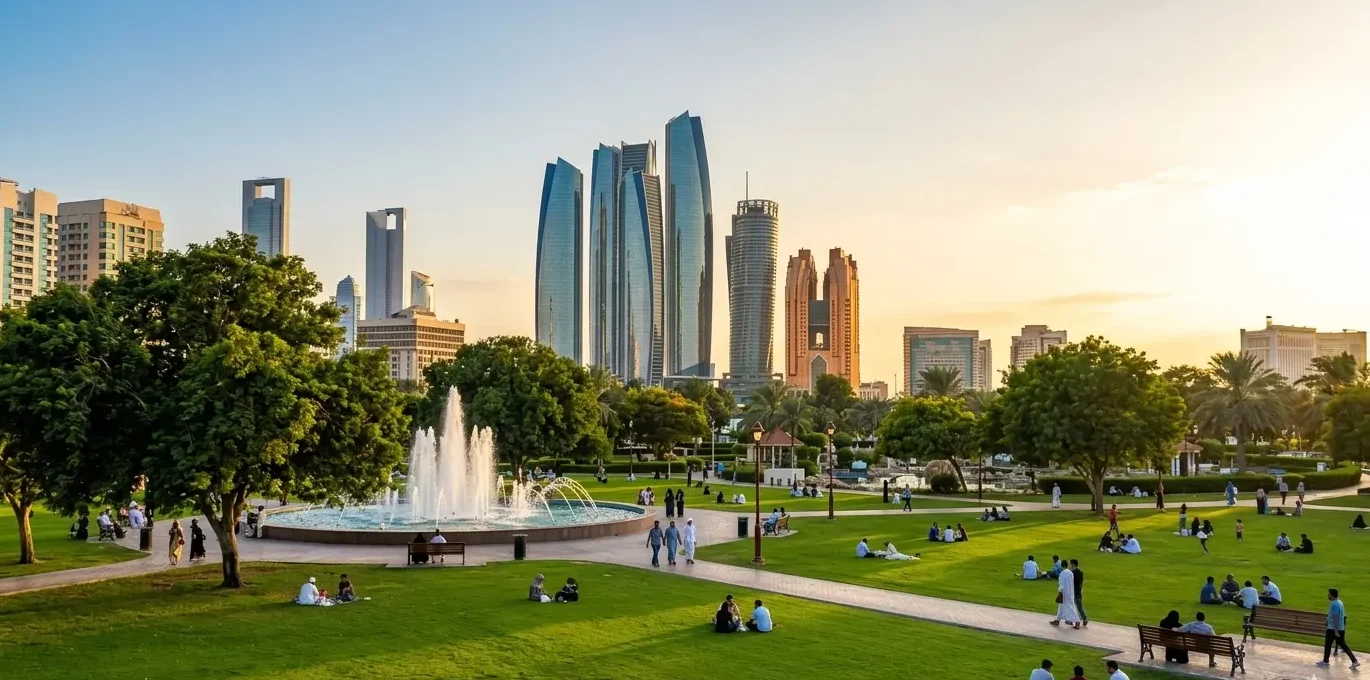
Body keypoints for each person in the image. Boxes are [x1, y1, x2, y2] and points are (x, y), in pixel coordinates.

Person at [1319, 588, 1360, 669]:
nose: (1328, 595)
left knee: (1328, 645)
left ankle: (1325, 662)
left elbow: (1336, 617)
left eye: (1329, 594)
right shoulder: (1339, 602)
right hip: (1339, 628)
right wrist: (1328, 621)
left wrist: (1335, 630)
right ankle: (1355, 661)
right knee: (1343, 645)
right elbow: (1333, 616)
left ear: (1332, 595)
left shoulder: (1335, 604)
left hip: (1333, 629)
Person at [1050, 562, 1081, 629]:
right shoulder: (1070, 573)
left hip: (1064, 593)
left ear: (1062, 566)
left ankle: (1077, 621)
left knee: (1070, 607)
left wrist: (1060, 591)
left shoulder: (1062, 574)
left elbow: (1061, 584)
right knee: (1061, 606)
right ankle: (1057, 620)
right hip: (1070, 592)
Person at [1070, 559, 1087, 626]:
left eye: (1071, 564)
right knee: (1079, 607)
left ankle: (1075, 620)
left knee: (1072, 607)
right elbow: (1081, 582)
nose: (1070, 565)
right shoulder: (1080, 572)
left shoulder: (1072, 573)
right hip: (1078, 591)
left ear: (1073, 564)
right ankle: (1084, 618)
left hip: (1074, 591)